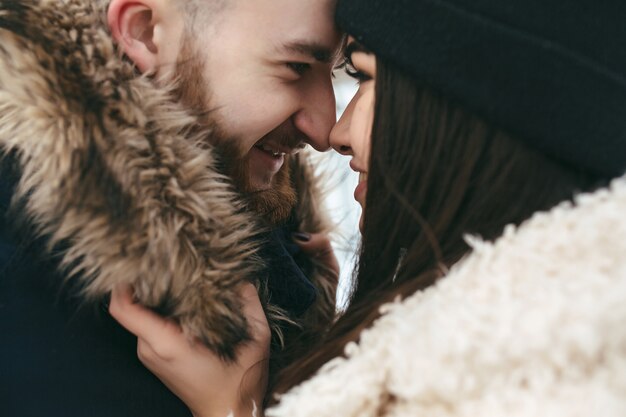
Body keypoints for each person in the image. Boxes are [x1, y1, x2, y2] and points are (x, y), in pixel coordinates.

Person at [110, 0, 626, 416]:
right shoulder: (524, 326)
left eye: (363, 78)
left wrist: (230, 410)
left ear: (467, 115)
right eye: (296, 68)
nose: (333, 131)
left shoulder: (543, 370)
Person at [0, 0, 343, 416]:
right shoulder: (29, 266)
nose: (326, 130)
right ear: (145, 32)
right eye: (296, 67)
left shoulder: (267, 216)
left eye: (337, 71)